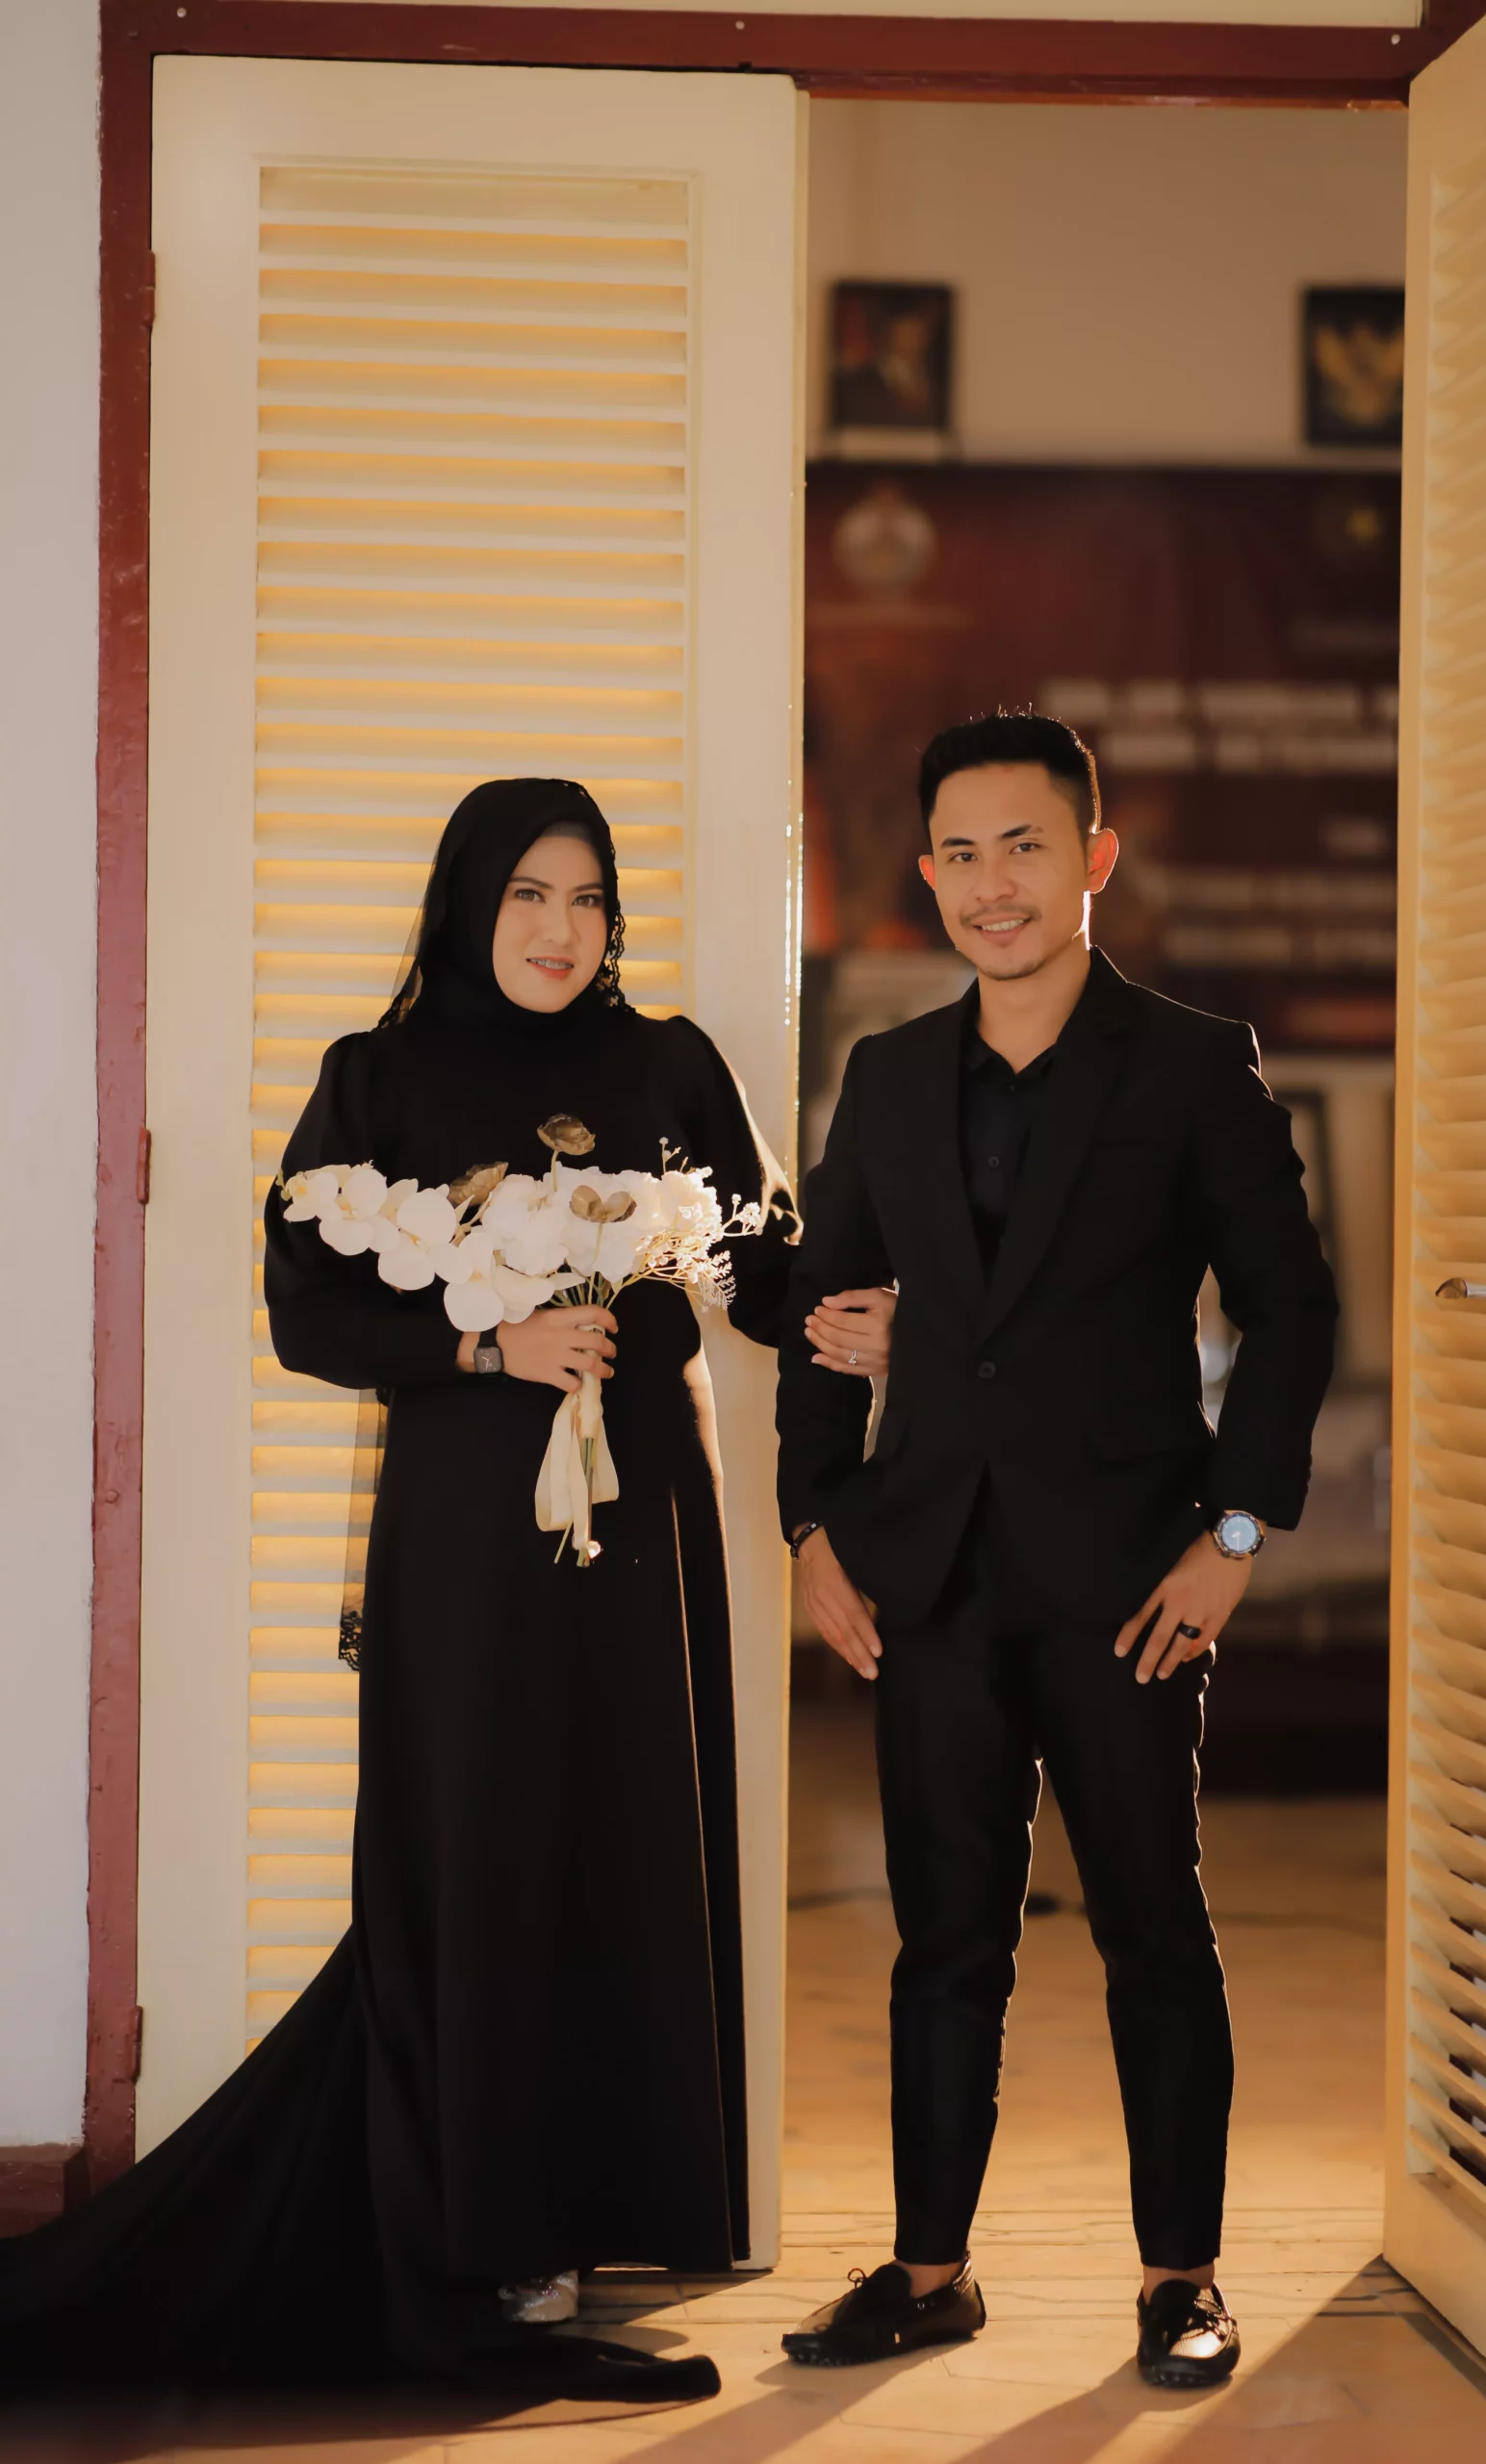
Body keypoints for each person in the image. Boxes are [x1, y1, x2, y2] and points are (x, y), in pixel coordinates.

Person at [0, 778, 893, 2410]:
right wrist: (487, 1345)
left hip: (645, 1512)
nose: (562, 929)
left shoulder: (671, 1064)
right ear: (468, 904)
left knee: (630, 1830)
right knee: (481, 1844)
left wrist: (858, 1314)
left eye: (589, 897)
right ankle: (486, 2233)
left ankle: (614, 2212)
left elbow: (765, 1274)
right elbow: (307, 1313)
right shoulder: (381, 1074)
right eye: (528, 895)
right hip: (471, 1522)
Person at [775, 714, 1337, 2389]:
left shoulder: (1188, 1065)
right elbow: (824, 1316)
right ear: (924, 871)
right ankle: (927, 2272)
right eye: (959, 853)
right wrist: (812, 1521)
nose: (991, 884)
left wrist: (1234, 1531)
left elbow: (1289, 1308)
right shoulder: (886, 1075)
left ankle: (1181, 2281)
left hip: (1129, 1583)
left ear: (1092, 857)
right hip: (929, 1577)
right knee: (943, 1940)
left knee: (1151, 1929)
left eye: (1024, 846)